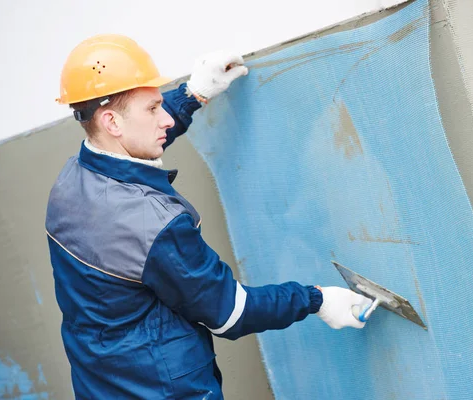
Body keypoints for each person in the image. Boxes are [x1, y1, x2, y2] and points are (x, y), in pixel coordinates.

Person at [45, 34, 371, 399]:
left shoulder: (70, 184)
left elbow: (127, 157)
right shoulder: (155, 227)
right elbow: (231, 313)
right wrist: (317, 300)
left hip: (101, 386)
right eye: (153, 110)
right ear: (111, 122)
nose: (165, 118)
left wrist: (192, 95)